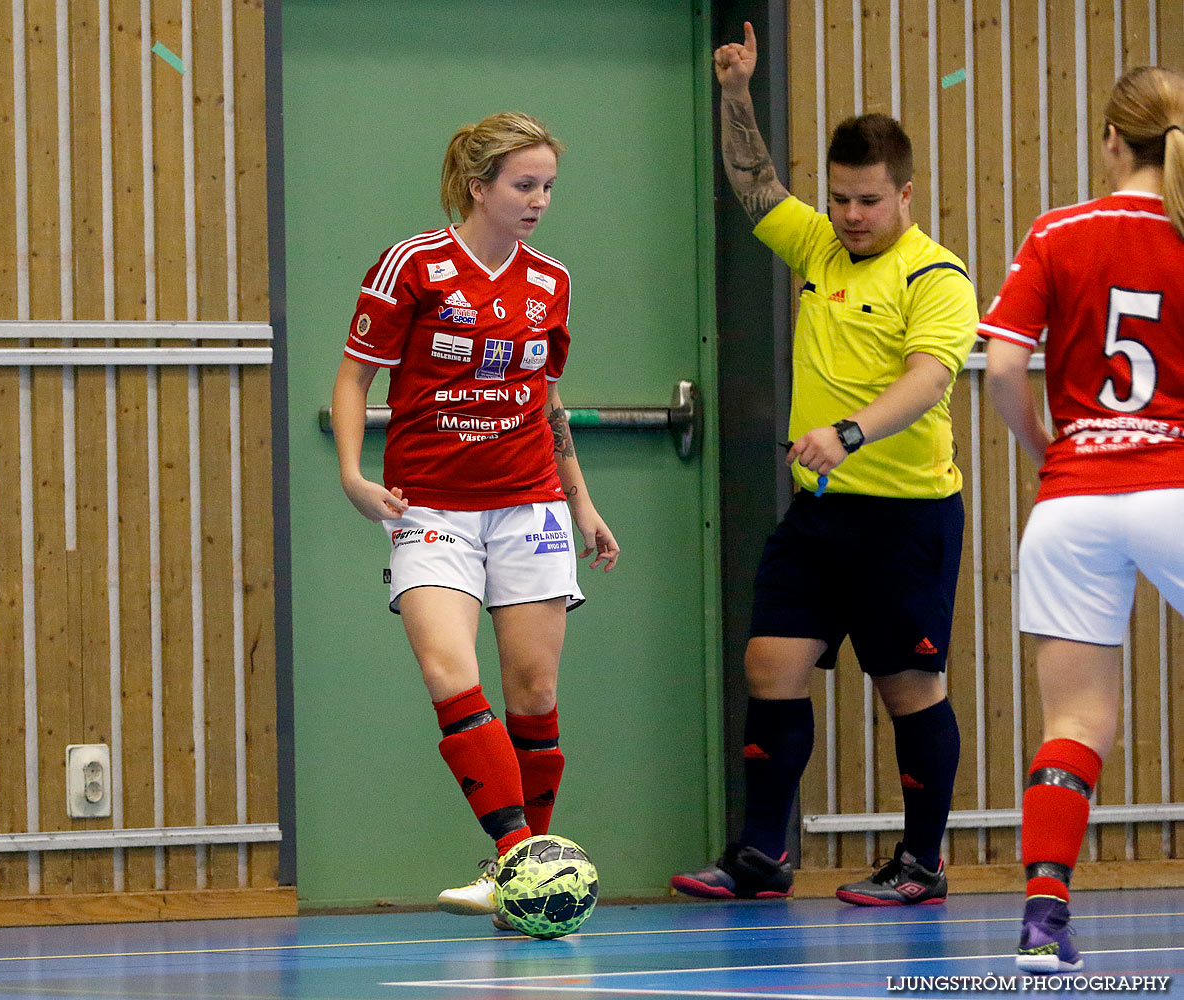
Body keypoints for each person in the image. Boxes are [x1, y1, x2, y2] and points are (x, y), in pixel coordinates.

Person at [671, 22, 978, 906]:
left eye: (867, 201)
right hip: (821, 516)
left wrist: (847, 431)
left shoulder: (936, 279)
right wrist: (736, 96)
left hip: (907, 517)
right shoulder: (819, 250)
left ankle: (922, 861)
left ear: (905, 194)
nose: (849, 215)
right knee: (771, 662)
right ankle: (762, 855)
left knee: (908, 684)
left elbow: (926, 381)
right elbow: (755, 186)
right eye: (840, 198)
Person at [331, 111, 620, 928]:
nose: (538, 202)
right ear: (477, 186)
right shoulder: (412, 265)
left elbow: (547, 400)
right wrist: (354, 474)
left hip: (528, 501)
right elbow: (355, 377)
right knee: (447, 671)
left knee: (534, 689)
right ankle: (524, 865)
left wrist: (582, 502)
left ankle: (519, 883)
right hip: (431, 506)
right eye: (523, 185)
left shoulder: (550, 281)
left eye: (548, 187)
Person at [981, 67, 1184, 973]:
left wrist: (1049, 454)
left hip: (1071, 503)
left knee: (1076, 719)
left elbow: (999, 373)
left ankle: (1042, 918)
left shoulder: (1057, 232)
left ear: (1110, 139)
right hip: (1173, 485)